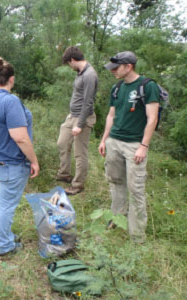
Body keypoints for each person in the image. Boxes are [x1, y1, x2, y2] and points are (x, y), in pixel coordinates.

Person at [0, 56, 40, 256]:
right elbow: (20, 138)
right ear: (11, 79)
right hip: (10, 162)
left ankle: (0, 236)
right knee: (5, 204)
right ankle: (4, 245)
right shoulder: (10, 101)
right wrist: (34, 160)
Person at [99, 51, 159, 243]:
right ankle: (117, 219)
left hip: (134, 145)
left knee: (136, 189)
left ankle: (137, 235)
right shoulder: (117, 88)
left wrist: (143, 146)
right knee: (115, 182)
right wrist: (104, 139)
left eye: (116, 68)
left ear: (129, 66)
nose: (113, 71)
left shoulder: (147, 86)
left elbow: (152, 118)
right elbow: (111, 115)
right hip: (114, 142)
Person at [56, 46, 98, 195]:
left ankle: (78, 185)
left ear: (73, 60)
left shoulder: (90, 75)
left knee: (79, 153)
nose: (69, 66)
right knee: (62, 143)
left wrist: (80, 125)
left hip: (83, 118)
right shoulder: (80, 72)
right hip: (72, 115)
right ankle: (64, 174)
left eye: (69, 63)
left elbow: (88, 102)